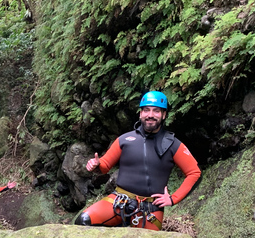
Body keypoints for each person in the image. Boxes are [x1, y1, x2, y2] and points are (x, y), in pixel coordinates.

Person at [76, 91, 201, 230]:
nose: (150, 115)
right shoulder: (125, 140)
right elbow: (104, 165)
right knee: (84, 220)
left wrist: (173, 199)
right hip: (120, 200)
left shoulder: (173, 144)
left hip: (150, 208)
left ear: (164, 115)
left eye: (156, 111)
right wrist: (96, 164)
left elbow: (194, 173)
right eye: (146, 110)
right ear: (140, 113)